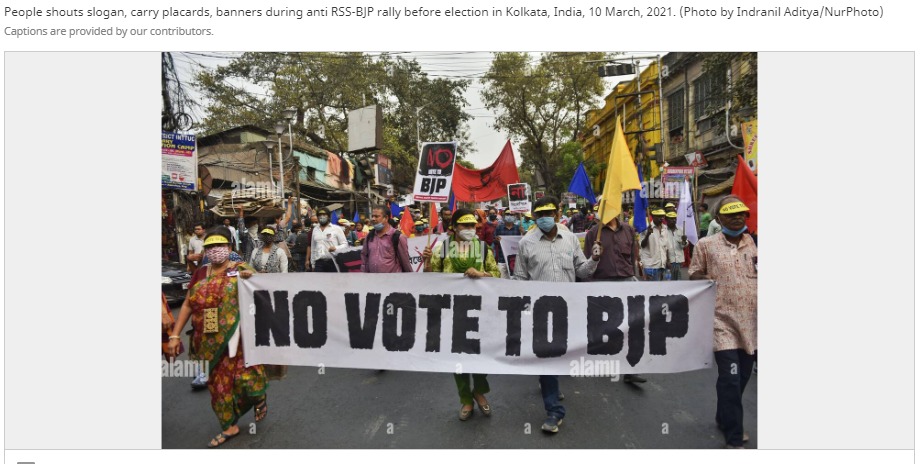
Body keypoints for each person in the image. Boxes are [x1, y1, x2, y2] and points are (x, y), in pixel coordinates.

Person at [167, 227, 267, 448]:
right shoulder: (201, 273)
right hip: (207, 340)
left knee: (245, 380)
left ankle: (258, 398)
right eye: (210, 247)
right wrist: (175, 334)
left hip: (237, 338)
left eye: (219, 246)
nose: (215, 251)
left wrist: (251, 279)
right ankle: (229, 426)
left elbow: (263, 292)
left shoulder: (240, 269)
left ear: (229, 248)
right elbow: (187, 304)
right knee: (218, 386)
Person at [511, 196, 602, 433]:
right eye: (540, 214)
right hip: (540, 311)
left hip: (568, 309)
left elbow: (581, 271)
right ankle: (553, 410)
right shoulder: (526, 243)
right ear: (533, 217)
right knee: (546, 355)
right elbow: (520, 279)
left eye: (549, 213)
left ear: (558, 212)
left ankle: (550, 380)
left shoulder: (570, 238)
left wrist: (594, 259)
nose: (545, 218)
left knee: (561, 353)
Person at [689, 196, 757, 449]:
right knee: (730, 378)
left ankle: (724, 415)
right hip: (721, 323)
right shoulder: (706, 245)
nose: (738, 217)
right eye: (731, 214)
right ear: (719, 219)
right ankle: (734, 438)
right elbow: (695, 273)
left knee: (741, 379)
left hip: (751, 324)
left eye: (742, 213)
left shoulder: (756, 244)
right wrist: (703, 277)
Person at [422, 209, 500, 421]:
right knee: (457, 358)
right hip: (452, 312)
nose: (469, 230)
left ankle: (479, 391)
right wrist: (427, 264)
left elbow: (497, 275)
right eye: (464, 226)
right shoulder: (442, 248)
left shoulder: (483, 248)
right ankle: (465, 399)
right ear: (454, 228)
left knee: (482, 355)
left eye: (472, 226)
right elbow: (431, 279)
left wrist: (481, 273)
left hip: (481, 312)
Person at [361, 205, 412, 273]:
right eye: (372, 216)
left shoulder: (398, 237)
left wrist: (411, 278)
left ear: (386, 218)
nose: (373, 219)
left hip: (393, 281)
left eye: (376, 216)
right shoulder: (369, 236)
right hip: (373, 281)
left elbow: (405, 262)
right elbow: (364, 259)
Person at [310, 207, 348, 272]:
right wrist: (313, 264)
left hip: (333, 262)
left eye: (324, 215)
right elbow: (313, 247)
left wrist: (336, 248)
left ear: (329, 216)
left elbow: (345, 244)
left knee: (332, 281)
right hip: (319, 263)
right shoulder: (315, 229)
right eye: (319, 215)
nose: (322, 217)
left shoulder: (336, 229)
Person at [639, 209, 669, 281]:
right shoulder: (646, 228)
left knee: (660, 290)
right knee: (651, 291)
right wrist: (647, 234)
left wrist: (667, 261)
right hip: (650, 265)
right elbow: (642, 245)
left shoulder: (665, 228)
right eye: (659, 216)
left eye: (662, 216)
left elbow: (666, 246)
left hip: (661, 265)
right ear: (653, 217)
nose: (661, 218)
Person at [665, 212, 688, 280]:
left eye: (675, 219)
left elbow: (685, 245)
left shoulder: (681, 230)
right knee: (669, 282)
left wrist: (684, 241)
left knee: (678, 281)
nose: (673, 220)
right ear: (667, 219)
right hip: (668, 260)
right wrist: (667, 260)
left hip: (678, 260)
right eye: (671, 219)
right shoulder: (663, 230)